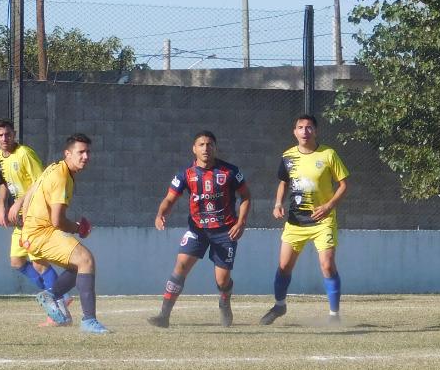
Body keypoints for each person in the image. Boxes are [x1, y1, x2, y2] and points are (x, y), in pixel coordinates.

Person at [149, 130, 250, 328]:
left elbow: (246, 196)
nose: (206, 148)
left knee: (222, 280)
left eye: (209, 144)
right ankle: (164, 316)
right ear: (194, 149)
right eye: (201, 145)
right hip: (197, 230)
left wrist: (241, 222)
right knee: (181, 265)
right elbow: (170, 198)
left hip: (225, 231)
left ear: (215, 148)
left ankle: (224, 300)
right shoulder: (185, 174)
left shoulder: (230, 171)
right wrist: (161, 213)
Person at [13, 133, 109, 334]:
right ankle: (89, 320)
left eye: (88, 152)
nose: (85, 157)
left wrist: (24, 219)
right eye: (80, 152)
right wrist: (78, 228)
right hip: (42, 232)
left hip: (33, 233)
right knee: (86, 260)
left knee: (78, 266)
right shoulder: (61, 176)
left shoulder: (53, 168)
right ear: (68, 153)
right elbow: (57, 221)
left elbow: (32, 190)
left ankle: (52, 294)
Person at [260, 114, 350, 325]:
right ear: (295, 132)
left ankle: (334, 315)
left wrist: (329, 206)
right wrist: (277, 203)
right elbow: (283, 182)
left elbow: (344, 184)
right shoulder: (288, 156)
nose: (304, 131)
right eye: (300, 127)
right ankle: (280, 305)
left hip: (322, 220)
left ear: (315, 131)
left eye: (309, 127)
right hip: (296, 221)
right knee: (283, 267)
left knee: (327, 265)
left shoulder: (328, 154)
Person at [0, 118, 61, 304]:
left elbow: (41, 180)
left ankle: (58, 296)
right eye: (0, 135)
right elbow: (3, 183)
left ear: (14, 134)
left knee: (38, 262)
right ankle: (57, 294)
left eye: (8, 134)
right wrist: (1, 207)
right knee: (17, 261)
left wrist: (19, 202)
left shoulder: (24, 154)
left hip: (35, 212)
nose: (5, 138)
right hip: (21, 216)